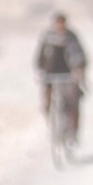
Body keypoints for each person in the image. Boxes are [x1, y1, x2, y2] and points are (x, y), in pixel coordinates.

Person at [34, 12, 88, 142]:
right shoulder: (47, 37)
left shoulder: (71, 37)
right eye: (57, 23)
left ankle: (72, 132)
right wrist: (39, 70)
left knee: (72, 102)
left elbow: (80, 55)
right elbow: (40, 56)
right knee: (47, 99)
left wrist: (79, 70)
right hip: (50, 74)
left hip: (68, 74)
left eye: (61, 23)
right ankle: (50, 123)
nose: (59, 26)